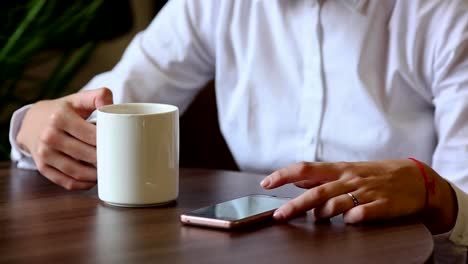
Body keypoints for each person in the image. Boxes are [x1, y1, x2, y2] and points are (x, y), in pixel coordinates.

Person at [8, 0, 468, 262]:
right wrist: (35, 126)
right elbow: (101, 112)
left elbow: (464, 203)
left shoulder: (446, 14)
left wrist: (437, 192)